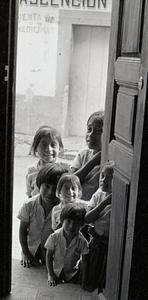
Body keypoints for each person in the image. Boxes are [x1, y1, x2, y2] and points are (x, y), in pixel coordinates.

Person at [17, 163, 69, 268]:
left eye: (56, 189)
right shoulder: (29, 205)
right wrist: (26, 253)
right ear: (38, 184)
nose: (50, 192)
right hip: (32, 250)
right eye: (47, 186)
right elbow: (22, 230)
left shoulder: (64, 209)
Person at [84, 161, 114, 292]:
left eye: (110, 177)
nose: (103, 180)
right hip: (97, 239)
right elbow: (87, 218)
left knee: (107, 269)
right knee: (94, 265)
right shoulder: (99, 194)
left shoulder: (122, 197)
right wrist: (105, 202)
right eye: (102, 176)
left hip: (111, 243)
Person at [45, 203, 89, 287]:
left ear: (81, 225)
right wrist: (51, 274)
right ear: (62, 220)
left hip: (72, 274)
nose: (71, 226)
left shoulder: (82, 242)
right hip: (55, 271)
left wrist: (83, 281)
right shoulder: (54, 236)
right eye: (68, 221)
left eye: (76, 223)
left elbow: (84, 262)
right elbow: (49, 256)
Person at [71, 111, 104, 200]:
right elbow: (70, 181)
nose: (91, 134)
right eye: (89, 129)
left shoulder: (110, 159)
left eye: (98, 131)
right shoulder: (83, 154)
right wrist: (92, 162)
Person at [26, 125, 66, 198]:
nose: (48, 149)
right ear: (35, 148)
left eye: (53, 145)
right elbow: (30, 195)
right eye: (44, 145)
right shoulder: (32, 170)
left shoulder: (65, 169)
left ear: (60, 148)